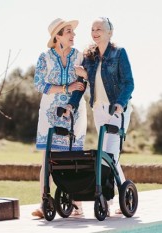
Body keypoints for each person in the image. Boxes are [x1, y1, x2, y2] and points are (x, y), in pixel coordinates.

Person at [65, 17, 134, 215]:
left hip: (117, 109)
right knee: (107, 155)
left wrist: (120, 103)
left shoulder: (119, 53)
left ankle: (109, 199)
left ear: (110, 32)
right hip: (99, 109)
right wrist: (71, 104)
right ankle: (124, 192)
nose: (95, 32)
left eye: (99, 29)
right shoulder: (90, 57)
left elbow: (129, 82)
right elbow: (81, 85)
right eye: (93, 29)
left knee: (109, 154)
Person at [32, 18, 87, 218]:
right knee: (48, 159)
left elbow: (84, 83)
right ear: (58, 36)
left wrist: (84, 76)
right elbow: (39, 84)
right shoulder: (44, 58)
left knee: (74, 158)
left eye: (73, 32)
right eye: (69, 32)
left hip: (74, 114)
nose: (74, 35)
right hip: (50, 115)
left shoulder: (80, 56)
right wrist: (66, 88)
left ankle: (77, 204)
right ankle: (44, 202)